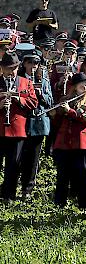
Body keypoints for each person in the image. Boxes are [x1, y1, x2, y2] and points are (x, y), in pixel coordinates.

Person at [51, 72, 86, 208]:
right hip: (64, 143)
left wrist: (70, 111)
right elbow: (56, 123)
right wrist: (56, 113)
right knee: (62, 175)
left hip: (83, 143)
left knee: (83, 175)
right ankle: (59, 204)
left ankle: (84, 205)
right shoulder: (65, 99)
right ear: (75, 86)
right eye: (82, 84)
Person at [0, 52, 38, 200]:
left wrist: (19, 99)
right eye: (8, 68)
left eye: (14, 68)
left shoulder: (25, 82)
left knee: (13, 165)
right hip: (0, 129)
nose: (11, 71)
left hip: (17, 130)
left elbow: (33, 103)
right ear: (2, 68)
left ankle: (9, 195)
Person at [18, 52, 53, 200]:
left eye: (36, 63)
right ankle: (15, 185)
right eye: (30, 63)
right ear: (24, 64)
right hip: (22, 122)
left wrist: (41, 94)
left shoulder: (43, 80)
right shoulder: (19, 80)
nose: (33, 66)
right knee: (19, 157)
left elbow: (50, 101)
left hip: (38, 123)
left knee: (33, 159)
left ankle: (28, 189)